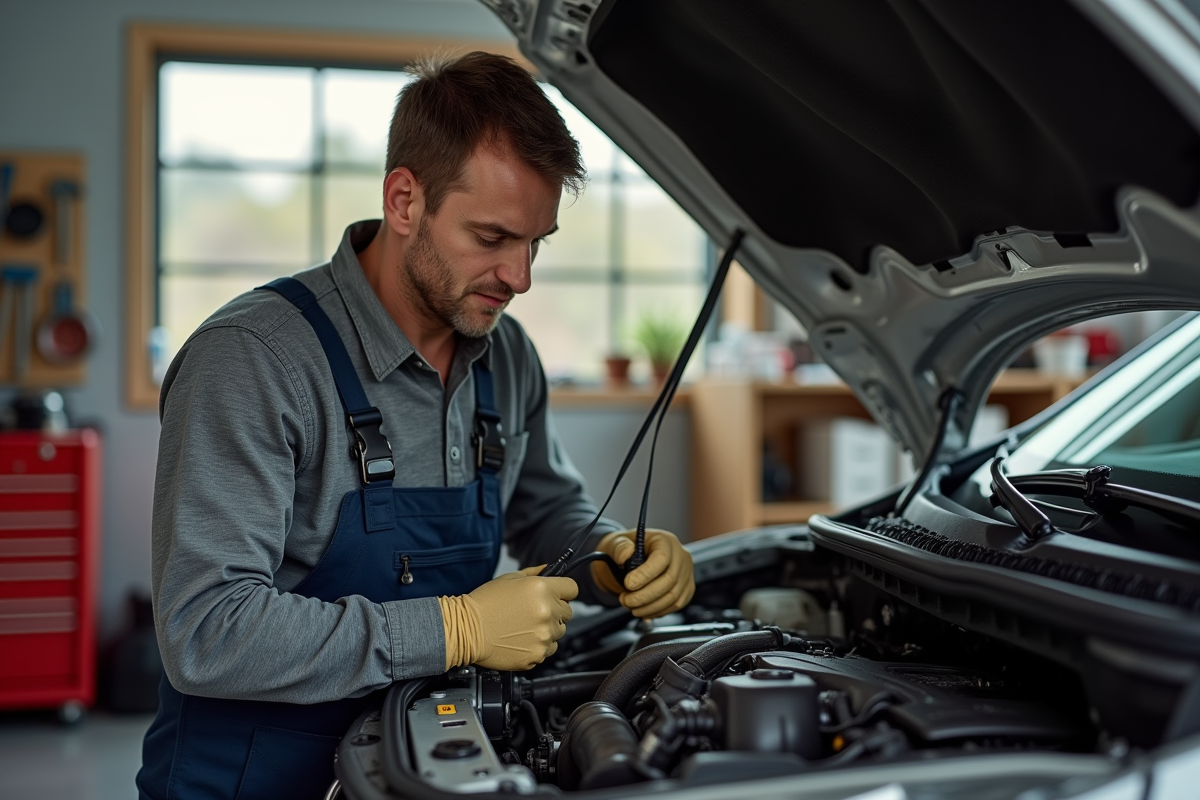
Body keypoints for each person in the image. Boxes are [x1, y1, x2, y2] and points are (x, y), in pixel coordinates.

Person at [135, 51, 695, 800]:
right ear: (405, 201)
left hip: (420, 767)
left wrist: (613, 555)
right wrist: (455, 629)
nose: (520, 276)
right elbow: (207, 632)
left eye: (537, 243)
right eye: (492, 238)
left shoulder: (507, 355)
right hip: (248, 777)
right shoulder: (252, 361)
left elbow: (544, 513)